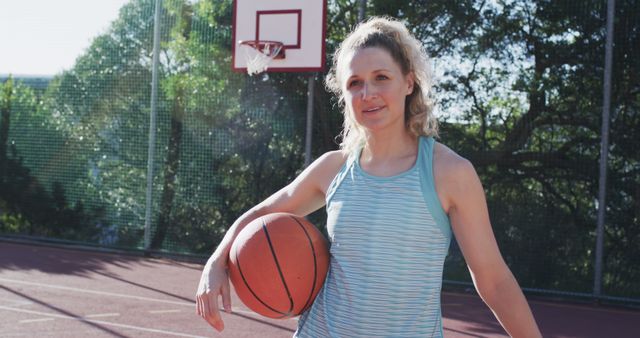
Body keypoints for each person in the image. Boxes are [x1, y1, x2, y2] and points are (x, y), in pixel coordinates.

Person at [196, 16, 542, 338]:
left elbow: (492, 280)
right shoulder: (334, 168)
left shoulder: (449, 172)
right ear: (344, 95)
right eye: (355, 83)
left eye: (381, 78)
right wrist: (215, 264)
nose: (368, 93)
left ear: (408, 82)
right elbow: (260, 215)